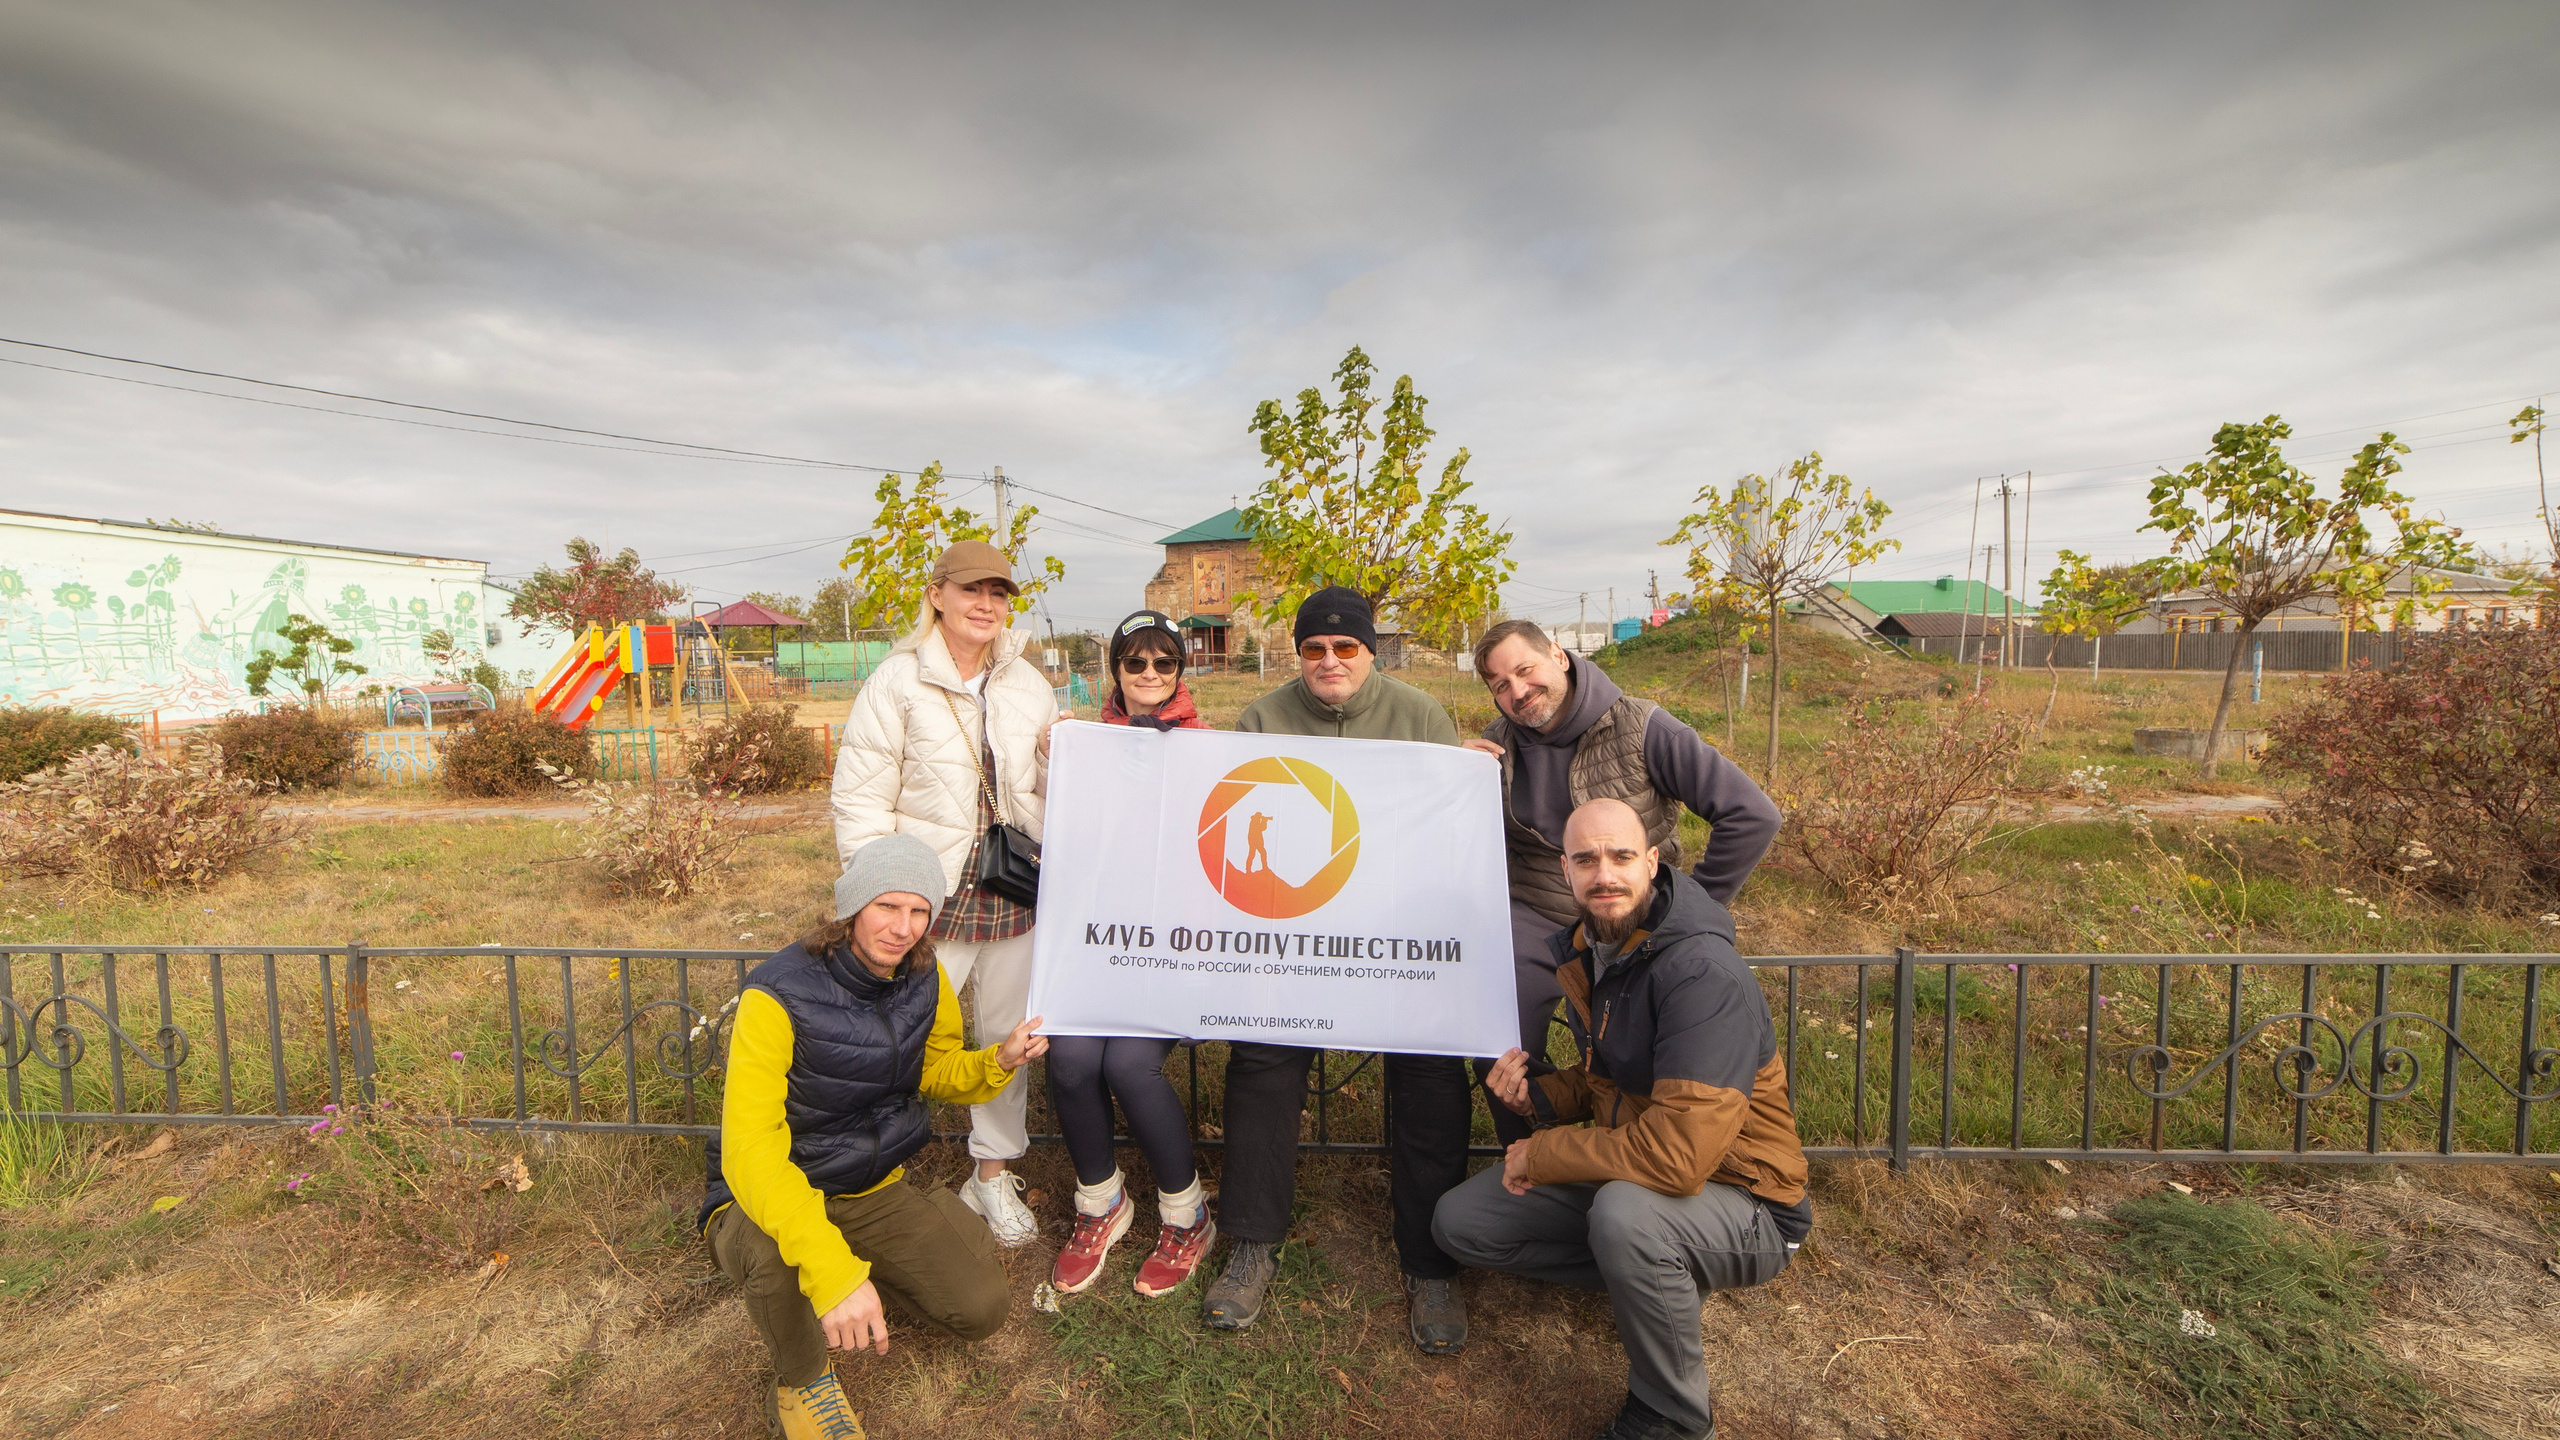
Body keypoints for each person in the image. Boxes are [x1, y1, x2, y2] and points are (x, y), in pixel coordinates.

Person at [1434, 798, 1811, 1440]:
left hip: (1748, 1202)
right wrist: (1539, 1102)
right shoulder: (1602, 947)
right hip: (1650, 1183)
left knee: (1625, 1217)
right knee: (1462, 1224)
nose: (1603, 874)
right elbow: (1611, 1075)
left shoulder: (1700, 973)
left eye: (1621, 856)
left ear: (1654, 861)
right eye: (1586, 859)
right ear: (1565, 871)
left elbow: (1679, 1157)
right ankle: (1651, 1277)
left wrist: (1542, 1152)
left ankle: (1671, 1413)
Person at [702, 834, 1050, 1440]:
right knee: (781, 1260)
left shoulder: (925, 975)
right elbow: (751, 1151)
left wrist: (998, 1058)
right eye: (887, 907)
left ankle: (867, 1264)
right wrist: (834, 1274)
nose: (904, 928)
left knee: (981, 1309)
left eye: (920, 911)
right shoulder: (776, 994)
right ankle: (803, 1380)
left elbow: (936, 1069)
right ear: (851, 907)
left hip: (870, 1183)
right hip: (769, 1190)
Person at [1203, 585, 1477, 1355]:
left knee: (1430, 1070)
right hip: (1296, 933)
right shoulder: (1262, 719)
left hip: (1395, 933)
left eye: (1344, 648)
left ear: (1371, 651)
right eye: (1314, 650)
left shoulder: (1421, 716)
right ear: (1299, 655)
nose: (1329, 661)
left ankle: (1430, 1260)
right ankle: (1253, 1243)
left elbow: (1445, 834)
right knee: (1260, 1056)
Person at [1464, 619, 1781, 1146]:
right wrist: (1459, 782)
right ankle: (1529, 1156)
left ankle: (1639, 1155)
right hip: (1539, 912)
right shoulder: (1496, 747)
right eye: (1500, 685)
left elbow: (1751, 814)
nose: (1517, 691)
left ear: (1559, 656)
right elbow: (1465, 847)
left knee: (1656, 1042)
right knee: (1496, 1033)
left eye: (1525, 670)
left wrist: (1690, 910)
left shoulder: (1641, 726)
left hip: (1632, 914)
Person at [831, 541, 1058, 1247]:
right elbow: (862, 798)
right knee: (896, 1036)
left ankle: (991, 1175)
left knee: (1005, 1037)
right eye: (971, 591)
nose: (986, 605)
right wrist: (880, 899)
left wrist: (1061, 764)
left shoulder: (1029, 685)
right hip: (927, 895)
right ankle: (865, 1181)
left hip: (1012, 886)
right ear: (937, 595)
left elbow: (1041, 799)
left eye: (999, 593)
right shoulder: (896, 682)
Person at [1046, 611, 1216, 1297]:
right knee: (1071, 1056)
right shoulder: (1084, 741)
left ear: (1180, 672)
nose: (1149, 676)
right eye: (1135, 663)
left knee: (1130, 1063)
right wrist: (1046, 750)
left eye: (1164, 664)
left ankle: (1187, 1213)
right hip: (1101, 936)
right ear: (1115, 670)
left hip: (1177, 940)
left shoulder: (1207, 744)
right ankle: (1102, 1201)